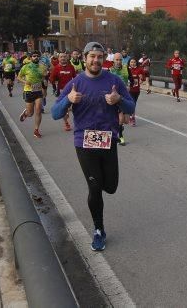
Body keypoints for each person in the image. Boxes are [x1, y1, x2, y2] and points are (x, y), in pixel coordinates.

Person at [51, 42, 135, 251]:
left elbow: (131, 106)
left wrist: (118, 100)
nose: (95, 60)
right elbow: (55, 113)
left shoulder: (114, 80)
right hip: (84, 141)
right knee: (94, 187)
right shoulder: (75, 83)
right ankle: (98, 230)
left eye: (99, 57)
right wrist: (67, 100)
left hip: (108, 139)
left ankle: (100, 189)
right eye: (92, 56)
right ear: (85, 58)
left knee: (111, 187)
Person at [18, 50, 48, 138]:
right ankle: (26, 113)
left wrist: (44, 81)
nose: (36, 57)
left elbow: (43, 77)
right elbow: (19, 77)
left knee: (38, 109)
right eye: (34, 56)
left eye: (37, 56)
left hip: (38, 91)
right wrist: (25, 82)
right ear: (30, 58)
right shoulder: (26, 67)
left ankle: (36, 130)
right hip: (28, 91)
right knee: (31, 113)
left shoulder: (42, 67)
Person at [50, 52, 77, 131]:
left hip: (72, 90)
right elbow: (51, 79)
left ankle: (77, 122)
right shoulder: (56, 68)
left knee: (75, 108)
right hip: (62, 91)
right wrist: (54, 81)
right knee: (65, 108)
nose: (63, 58)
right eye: (61, 57)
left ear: (67, 58)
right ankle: (66, 123)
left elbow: (75, 78)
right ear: (58, 59)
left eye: (64, 57)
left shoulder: (71, 67)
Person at [110, 53, 130, 145]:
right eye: (117, 60)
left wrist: (129, 85)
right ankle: (121, 137)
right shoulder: (110, 70)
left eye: (120, 60)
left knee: (126, 120)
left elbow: (131, 80)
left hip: (124, 96)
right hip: (114, 96)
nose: (118, 62)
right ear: (113, 60)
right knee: (120, 119)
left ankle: (119, 128)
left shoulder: (126, 68)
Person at [128, 58, 146, 126]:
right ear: (129, 63)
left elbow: (143, 78)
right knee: (132, 104)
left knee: (134, 104)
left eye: (134, 62)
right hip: (129, 90)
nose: (133, 63)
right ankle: (132, 118)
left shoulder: (139, 69)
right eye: (131, 62)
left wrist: (141, 78)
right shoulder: (127, 69)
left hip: (136, 90)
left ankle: (130, 116)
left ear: (136, 63)